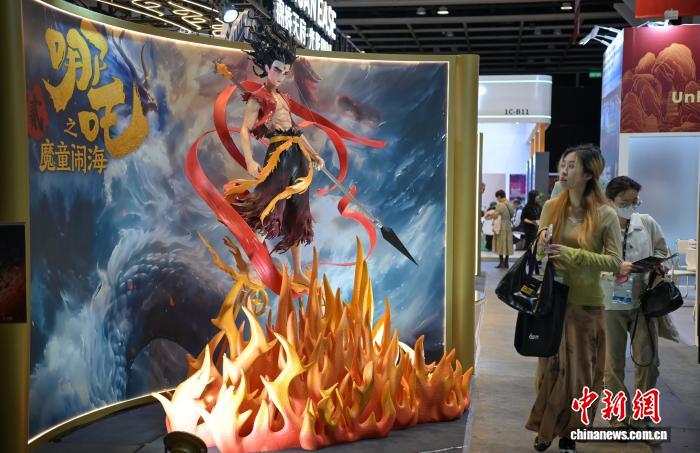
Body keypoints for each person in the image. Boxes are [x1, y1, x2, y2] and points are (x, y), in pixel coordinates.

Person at [219, 20, 383, 287]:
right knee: (270, 207)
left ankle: (296, 270)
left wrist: (313, 153)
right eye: (277, 69)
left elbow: (295, 130)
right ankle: (254, 264)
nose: (280, 75)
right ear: (267, 68)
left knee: (298, 213)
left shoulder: (282, 98)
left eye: (285, 71)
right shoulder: (258, 97)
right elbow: (246, 130)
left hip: (298, 157)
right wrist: (249, 159)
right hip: (279, 157)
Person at [526, 144, 622, 453]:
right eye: (563, 165)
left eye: (571, 166)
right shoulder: (551, 206)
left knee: (581, 375)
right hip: (552, 301)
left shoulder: (606, 214)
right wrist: (540, 245)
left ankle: (569, 434)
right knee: (549, 371)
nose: (563, 171)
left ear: (588, 174)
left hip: (587, 304)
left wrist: (572, 254)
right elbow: (536, 256)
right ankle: (546, 427)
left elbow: (614, 262)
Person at [602, 176, 680, 430]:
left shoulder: (646, 222)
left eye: (635, 201)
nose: (631, 206)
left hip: (642, 301)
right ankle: (617, 417)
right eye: (624, 202)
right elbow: (590, 260)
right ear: (610, 200)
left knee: (648, 361)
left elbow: (661, 251)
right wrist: (613, 267)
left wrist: (656, 265)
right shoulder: (600, 226)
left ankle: (641, 416)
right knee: (612, 363)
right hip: (608, 303)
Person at [485, 190, 514, 268]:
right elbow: (512, 215)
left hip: (501, 226)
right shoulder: (510, 204)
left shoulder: (500, 205)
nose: (497, 199)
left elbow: (495, 215)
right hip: (508, 226)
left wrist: (489, 214)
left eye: (497, 198)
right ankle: (506, 262)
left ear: (499, 196)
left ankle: (501, 263)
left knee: (500, 243)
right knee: (507, 243)